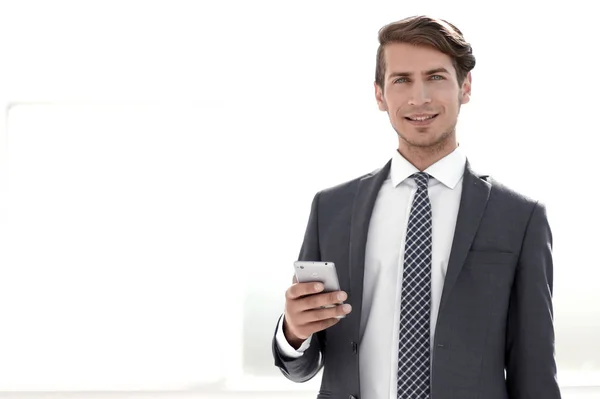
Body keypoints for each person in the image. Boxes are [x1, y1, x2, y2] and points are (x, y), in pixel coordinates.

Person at [271, 14, 562, 399]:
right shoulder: (331, 209)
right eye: (402, 80)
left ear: (465, 87)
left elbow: (536, 373)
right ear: (380, 94)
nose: (419, 97)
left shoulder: (520, 218)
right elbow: (302, 367)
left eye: (436, 77)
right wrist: (294, 332)